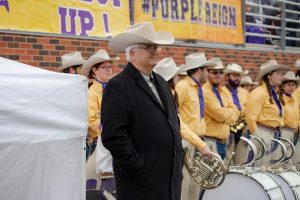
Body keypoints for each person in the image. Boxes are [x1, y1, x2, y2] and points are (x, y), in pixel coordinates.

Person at [101, 22, 183, 200]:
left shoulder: (161, 81)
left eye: (155, 46)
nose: (155, 51)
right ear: (132, 54)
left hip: (168, 182)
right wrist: (138, 167)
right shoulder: (118, 86)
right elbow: (113, 136)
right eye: (148, 47)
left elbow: (172, 121)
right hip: (141, 185)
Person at [174, 53, 214, 200]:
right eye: (207, 70)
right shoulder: (183, 86)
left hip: (197, 142)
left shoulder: (197, 87)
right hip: (187, 142)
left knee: (195, 186)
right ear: (199, 70)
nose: (208, 73)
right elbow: (174, 118)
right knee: (185, 187)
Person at [81, 49, 119, 199]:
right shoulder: (92, 93)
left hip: (117, 140)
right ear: (94, 71)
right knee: (100, 185)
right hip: (100, 143)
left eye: (110, 66)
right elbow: (92, 120)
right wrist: (111, 128)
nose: (109, 70)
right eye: (104, 67)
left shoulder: (115, 88)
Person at [245, 60, 287, 166]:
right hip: (262, 133)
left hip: (274, 134)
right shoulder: (259, 93)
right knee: (259, 170)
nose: (281, 76)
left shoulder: (274, 93)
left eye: (281, 73)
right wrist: (259, 137)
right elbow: (250, 118)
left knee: (271, 169)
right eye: (278, 73)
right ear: (269, 76)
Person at [202, 58, 240, 165]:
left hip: (222, 141)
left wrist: (227, 114)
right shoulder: (205, 91)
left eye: (221, 72)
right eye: (214, 72)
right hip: (210, 141)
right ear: (207, 73)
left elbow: (236, 111)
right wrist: (228, 114)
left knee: (218, 177)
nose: (218, 75)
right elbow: (220, 115)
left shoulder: (223, 90)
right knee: (210, 179)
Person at [223, 63, 250, 164]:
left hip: (243, 130)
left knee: (241, 161)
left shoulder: (245, 92)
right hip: (228, 130)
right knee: (227, 160)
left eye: (238, 75)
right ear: (227, 76)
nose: (237, 78)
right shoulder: (221, 91)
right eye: (234, 75)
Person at [279, 71, 299, 164]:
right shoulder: (280, 99)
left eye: (293, 85)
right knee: (281, 157)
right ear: (283, 86)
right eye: (288, 85)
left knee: (290, 159)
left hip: (294, 133)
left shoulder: (295, 101)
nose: (291, 87)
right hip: (283, 132)